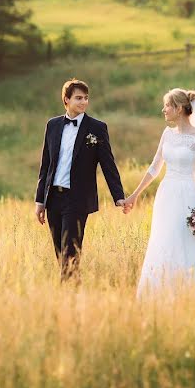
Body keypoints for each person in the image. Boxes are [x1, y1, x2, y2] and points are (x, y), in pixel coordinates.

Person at [123, 88, 195, 296]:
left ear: (179, 109)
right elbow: (154, 168)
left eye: (167, 106)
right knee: (164, 240)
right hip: (166, 195)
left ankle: (192, 292)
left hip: (189, 195)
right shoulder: (167, 134)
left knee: (189, 242)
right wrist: (134, 195)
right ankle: (163, 292)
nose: (163, 110)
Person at [35, 79, 126, 281]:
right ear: (66, 100)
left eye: (86, 98)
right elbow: (45, 165)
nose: (83, 102)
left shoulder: (97, 128)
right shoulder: (53, 125)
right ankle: (72, 288)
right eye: (78, 98)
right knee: (60, 253)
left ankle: (68, 293)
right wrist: (40, 201)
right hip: (53, 199)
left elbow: (108, 164)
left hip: (77, 199)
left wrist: (118, 196)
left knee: (70, 253)